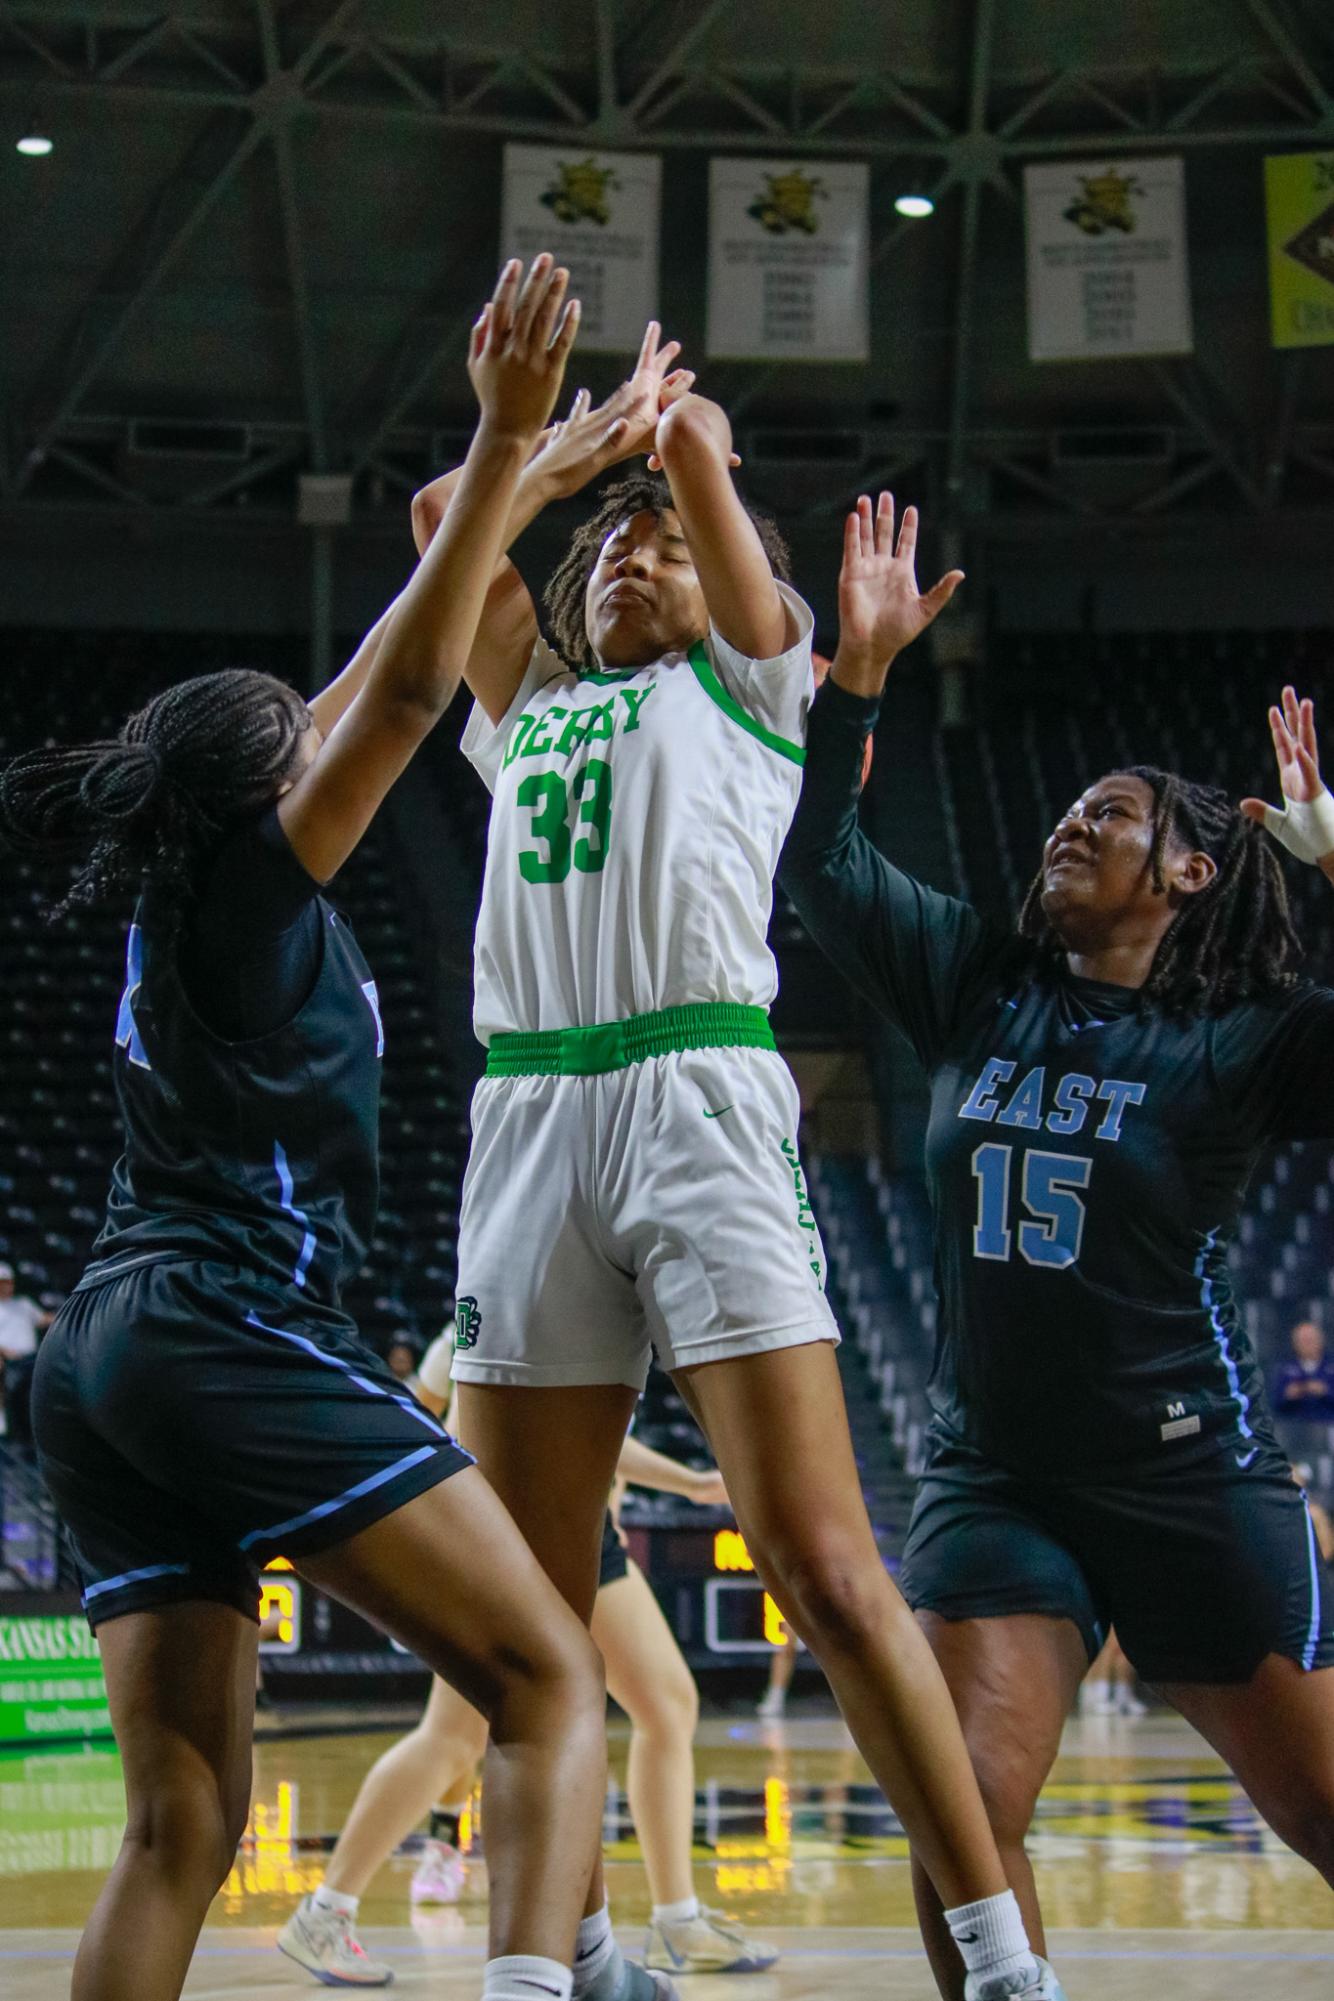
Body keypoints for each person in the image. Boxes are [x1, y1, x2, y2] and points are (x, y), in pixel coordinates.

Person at [8, 257, 640, 2001]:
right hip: (221, 1320)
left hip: (104, 1351)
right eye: (297, 733)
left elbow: (374, 670)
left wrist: (536, 471)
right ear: (261, 782)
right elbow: (411, 693)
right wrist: (507, 428)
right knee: (542, 1676)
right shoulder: (247, 883)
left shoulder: (194, 874)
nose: (326, 720)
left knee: (177, 1830)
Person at [410, 365, 1059, 2000]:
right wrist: (563, 452)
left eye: (666, 550)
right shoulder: (527, 707)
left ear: (734, 590)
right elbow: (443, 524)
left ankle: (996, 1961)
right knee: (525, 1620)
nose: (629, 556)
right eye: (606, 551)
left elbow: (700, 458)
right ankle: (554, 1958)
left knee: (828, 1570)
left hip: (697, 1096)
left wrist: (657, 438)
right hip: (529, 1118)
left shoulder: (760, 692)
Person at [779, 489, 1334, 2001]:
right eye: (1062, 809)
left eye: (1109, 814)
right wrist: (857, 679)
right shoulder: (976, 983)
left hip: (1182, 1475)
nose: (1066, 824)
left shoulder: (1242, 1037)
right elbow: (816, 864)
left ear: (1191, 872)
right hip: (999, 1475)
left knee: (1322, 1816)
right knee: (964, 1816)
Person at [285, 1333, 776, 1980]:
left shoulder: (536, 1297)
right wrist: (685, 1481)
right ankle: (326, 1910)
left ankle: (678, 1917)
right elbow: (474, 1423)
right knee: (453, 1740)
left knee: (665, 1702)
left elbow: (554, 1421)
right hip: (527, 1527)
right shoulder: (517, 1299)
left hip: (567, 1524)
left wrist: (644, 1486)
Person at [0, 1260, 54, 1440]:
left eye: (7, 1282)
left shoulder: (23, 1304)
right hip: (10, 1362)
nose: (5, 1286)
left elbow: (43, 1319)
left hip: (33, 1360)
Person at [1272, 1318, 1334, 1422]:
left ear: (1320, 1340)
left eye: (1310, 1340)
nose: (1307, 1345)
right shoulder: (1285, 1369)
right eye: (1302, 1341)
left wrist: (1325, 1392)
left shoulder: (1331, 1366)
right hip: (1296, 1427)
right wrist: (1289, 1396)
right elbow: (1275, 1403)